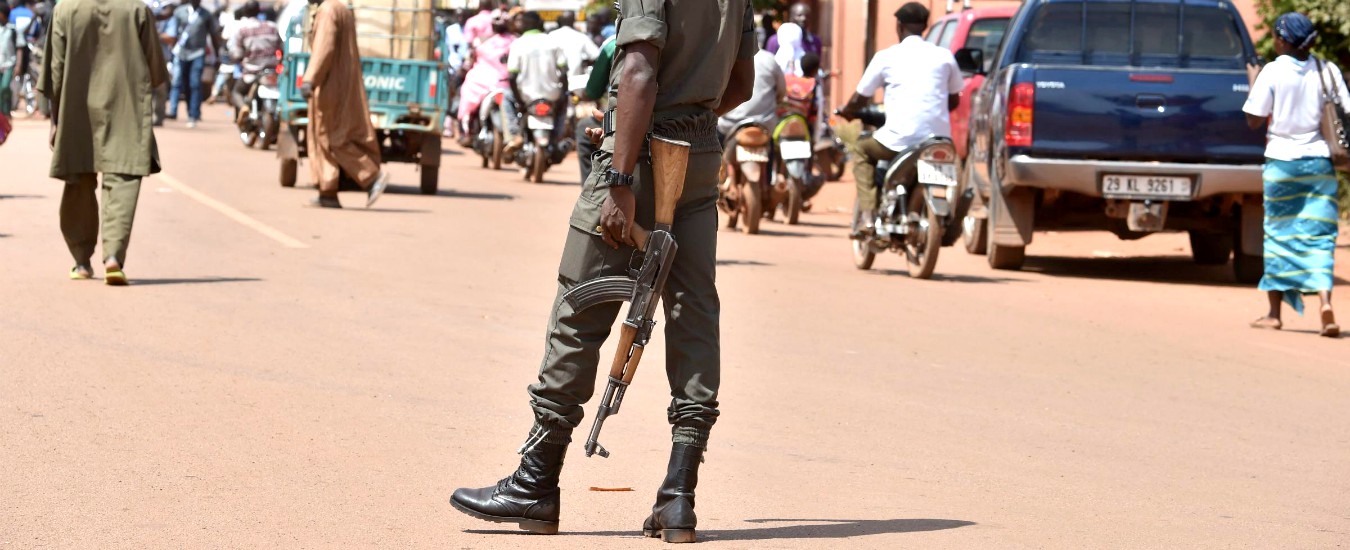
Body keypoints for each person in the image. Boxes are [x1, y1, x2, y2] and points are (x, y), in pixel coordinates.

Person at [449, 0, 757, 542]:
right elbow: (740, 84)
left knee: (580, 309)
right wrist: (688, 111)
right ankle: (679, 496)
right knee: (693, 317)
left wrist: (618, 174)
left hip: (637, 162)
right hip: (700, 158)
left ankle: (535, 483)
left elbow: (637, 68)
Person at [39, 0, 168, 285]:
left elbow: (54, 71)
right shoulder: (137, 9)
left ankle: (81, 261)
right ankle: (113, 258)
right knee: (123, 178)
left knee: (78, 181)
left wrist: (54, 121)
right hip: (126, 108)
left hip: (76, 110)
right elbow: (156, 71)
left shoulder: (65, 9)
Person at [1243, 12, 1345, 337]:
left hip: (1281, 164)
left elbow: (1254, 120)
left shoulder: (1272, 71)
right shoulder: (1327, 70)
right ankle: (1325, 303)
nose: (1273, 41)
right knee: (1318, 235)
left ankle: (1274, 313)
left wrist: (1253, 80)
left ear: (1285, 40)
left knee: (1278, 235)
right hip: (1318, 163)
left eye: (1275, 36)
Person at [838, 2, 962, 234]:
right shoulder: (944, 56)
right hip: (938, 140)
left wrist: (848, 111)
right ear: (925, 26)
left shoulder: (886, 57)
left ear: (899, 26)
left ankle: (867, 216)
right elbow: (954, 100)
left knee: (862, 150)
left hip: (898, 141)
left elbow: (861, 97)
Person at [300, 0, 389, 209]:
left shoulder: (328, 10)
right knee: (325, 137)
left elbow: (324, 47)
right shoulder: (342, 9)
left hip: (331, 84)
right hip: (340, 83)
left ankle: (371, 177)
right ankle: (327, 192)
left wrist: (310, 79)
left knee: (334, 137)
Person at [501, 11, 565, 156]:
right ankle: (558, 137)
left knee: (505, 97)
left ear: (523, 24)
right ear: (539, 24)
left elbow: (511, 77)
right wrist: (562, 94)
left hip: (526, 96)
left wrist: (519, 101)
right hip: (552, 95)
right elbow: (564, 72)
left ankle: (514, 135)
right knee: (564, 104)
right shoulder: (552, 42)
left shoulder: (518, 44)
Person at [454, 14, 513, 141]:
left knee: (465, 96)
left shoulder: (481, 41)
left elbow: (468, 59)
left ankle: (466, 130)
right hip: (506, 83)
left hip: (481, 82)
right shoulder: (515, 41)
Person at [166, 0, 221, 127]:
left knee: (195, 83)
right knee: (178, 82)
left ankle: (193, 114)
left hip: (198, 53)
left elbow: (213, 36)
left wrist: (217, 55)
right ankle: (173, 111)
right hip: (181, 53)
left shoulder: (206, 15)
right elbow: (173, 33)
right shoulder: (179, 12)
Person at [227, 0, 279, 121]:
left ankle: (243, 107)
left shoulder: (242, 29)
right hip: (271, 71)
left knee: (236, 92)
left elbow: (236, 53)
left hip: (251, 72)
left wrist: (238, 58)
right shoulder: (272, 27)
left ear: (245, 12)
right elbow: (281, 47)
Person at [717, 46, 785, 137]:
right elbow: (781, 93)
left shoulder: (724, 58)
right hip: (765, 123)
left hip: (729, 125)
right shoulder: (769, 59)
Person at [548, 11, 596, 78]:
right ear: (574, 20)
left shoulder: (551, 36)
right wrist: (585, 62)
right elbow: (596, 55)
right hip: (576, 82)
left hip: (556, 81)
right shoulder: (581, 37)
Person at [0, 5, 16, 115]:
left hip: (9, 63)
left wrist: (18, 64)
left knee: (5, 87)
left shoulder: (12, 29)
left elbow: (19, 47)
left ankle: (6, 111)